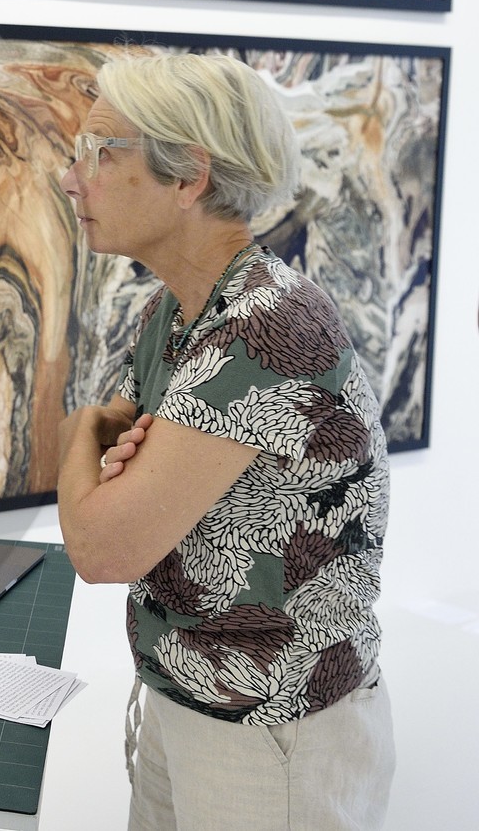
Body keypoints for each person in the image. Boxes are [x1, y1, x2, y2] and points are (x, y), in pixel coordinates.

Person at [54, 53, 394, 830]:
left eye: (99, 154)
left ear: (188, 177)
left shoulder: (267, 326)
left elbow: (104, 548)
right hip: (189, 699)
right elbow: (122, 503)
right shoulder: (171, 316)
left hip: (275, 734)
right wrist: (110, 470)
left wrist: (81, 434)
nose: (73, 180)